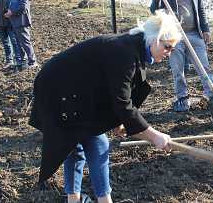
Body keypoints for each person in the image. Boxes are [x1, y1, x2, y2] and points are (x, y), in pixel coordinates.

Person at [29, 13, 180, 203]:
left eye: (172, 49)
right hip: (58, 92)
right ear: (154, 38)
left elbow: (112, 91)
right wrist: (154, 135)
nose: (169, 52)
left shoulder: (133, 48)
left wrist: (119, 121)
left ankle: (79, 199)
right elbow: (123, 104)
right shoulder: (125, 52)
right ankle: (97, 200)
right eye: (167, 47)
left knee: (83, 144)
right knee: (88, 144)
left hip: (74, 92)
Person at [150, 0, 213, 112]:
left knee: (204, 66)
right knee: (178, 70)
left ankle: (211, 95)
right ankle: (183, 98)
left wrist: (205, 29)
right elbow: (154, 11)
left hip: (194, 33)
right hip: (174, 36)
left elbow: (200, 8)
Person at [4, 0, 38, 70]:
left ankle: (33, 62)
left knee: (25, 43)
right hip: (16, 23)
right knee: (19, 43)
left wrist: (12, 12)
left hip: (21, 22)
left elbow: (24, 7)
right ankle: (25, 62)